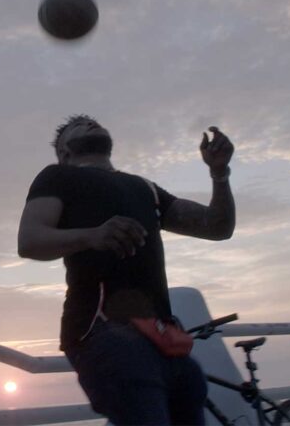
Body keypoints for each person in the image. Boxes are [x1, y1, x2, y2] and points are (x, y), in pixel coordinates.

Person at [17, 115, 236, 426]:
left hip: (165, 338)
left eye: (92, 121)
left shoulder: (145, 188)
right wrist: (92, 235)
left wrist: (219, 173)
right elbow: (29, 240)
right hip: (104, 333)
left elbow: (217, 227)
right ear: (64, 152)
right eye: (77, 126)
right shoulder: (58, 176)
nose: (89, 123)